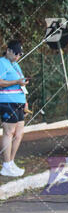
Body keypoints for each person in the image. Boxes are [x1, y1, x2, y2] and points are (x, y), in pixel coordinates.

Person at [0, 40, 28, 177]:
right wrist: (16, 82)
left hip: (19, 101)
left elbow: (21, 82)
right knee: (9, 132)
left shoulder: (16, 64)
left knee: (19, 133)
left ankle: (11, 162)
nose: (18, 57)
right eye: (16, 53)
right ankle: (6, 165)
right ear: (9, 50)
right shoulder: (1, 63)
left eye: (20, 54)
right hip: (7, 101)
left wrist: (25, 101)